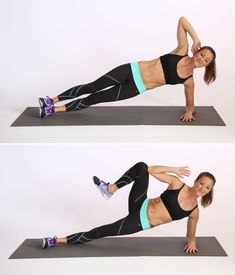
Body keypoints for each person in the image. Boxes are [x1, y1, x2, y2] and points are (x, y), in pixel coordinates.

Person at [38, 16, 216, 122]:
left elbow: (190, 104)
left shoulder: (189, 81)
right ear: (198, 51)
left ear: (206, 66)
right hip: (131, 70)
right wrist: (195, 38)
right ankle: (51, 101)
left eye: (206, 60)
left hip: (135, 88)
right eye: (202, 54)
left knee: (95, 98)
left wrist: (190, 111)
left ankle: (52, 111)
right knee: (92, 86)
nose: (202, 59)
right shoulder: (182, 50)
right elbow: (182, 20)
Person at [42, 162, 216, 253]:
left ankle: (56, 240)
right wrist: (174, 170)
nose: (202, 188)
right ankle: (110, 189)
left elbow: (190, 236)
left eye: (207, 187)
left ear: (208, 191)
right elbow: (150, 170)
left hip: (139, 221)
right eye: (202, 183)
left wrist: (192, 241)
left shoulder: (194, 211)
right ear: (196, 181)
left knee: (101, 231)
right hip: (140, 203)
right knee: (141, 166)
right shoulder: (177, 183)